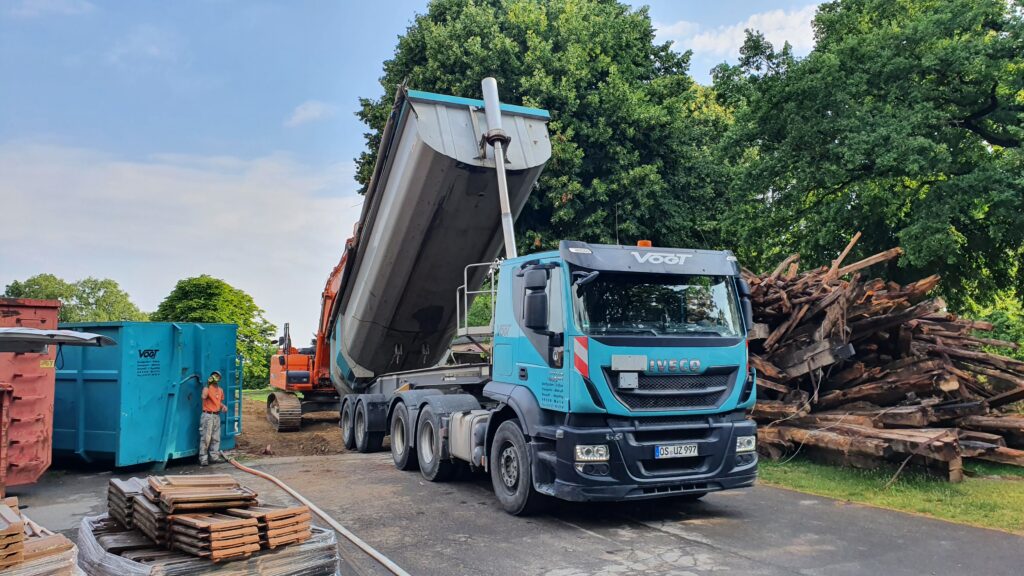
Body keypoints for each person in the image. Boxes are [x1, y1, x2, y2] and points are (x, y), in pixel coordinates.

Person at [199, 370, 227, 466]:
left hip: (216, 416)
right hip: (207, 415)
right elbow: (203, 396)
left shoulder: (220, 390)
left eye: (217, 376)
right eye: (214, 376)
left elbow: (218, 402)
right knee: (206, 438)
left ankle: (214, 457)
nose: (216, 377)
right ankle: (203, 459)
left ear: (219, 379)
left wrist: (223, 406)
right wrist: (207, 385)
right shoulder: (207, 388)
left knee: (216, 438)